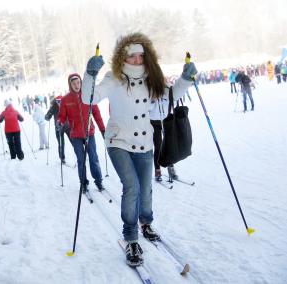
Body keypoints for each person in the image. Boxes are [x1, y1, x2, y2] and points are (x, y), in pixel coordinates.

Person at [82, 32, 197, 267]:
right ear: (123, 57)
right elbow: (89, 98)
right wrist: (90, 74)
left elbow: (170, 96)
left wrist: (186, 79)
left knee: (146, 188)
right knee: (132, 186)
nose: (136, 60)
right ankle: (131, 237)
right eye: (131, 55)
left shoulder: (150, 78)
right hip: (118, 140)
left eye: (140, 55)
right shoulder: (113, 78)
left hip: (144, 141)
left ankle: (146, 221)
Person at [58, 73, 106, 192]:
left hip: (89, 132)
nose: (76, 85)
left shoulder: (88, 96)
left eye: (78, 82)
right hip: (75, 135)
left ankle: (98, 181)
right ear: (70, 84)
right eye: (74, 83)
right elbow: (62, 116)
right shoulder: (65, 100)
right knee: (81, 159)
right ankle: (83, 183)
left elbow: (97, 114)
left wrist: (103, 129)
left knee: (93, 158)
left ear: (81, 82)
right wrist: (59, 122)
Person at [45, 95, 71, 163]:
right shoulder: (54, 107)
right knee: (61, 143)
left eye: (61, 101)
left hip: (68, 127)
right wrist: (48, 116)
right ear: (56, 101)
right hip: (58, 128)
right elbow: (48, 116)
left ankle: (80, 155)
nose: (59, 102)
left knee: (74, 141)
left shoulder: (67, 104)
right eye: (58, 101)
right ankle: (62, 158)